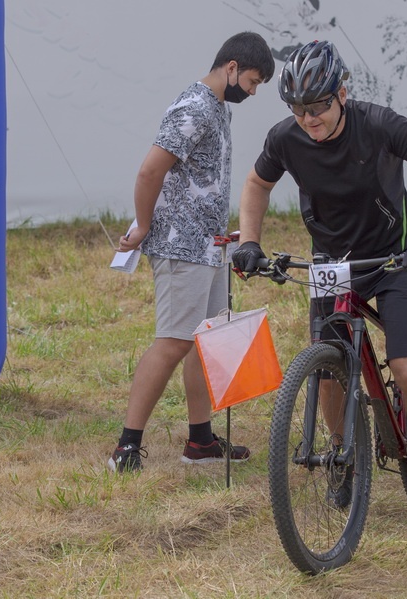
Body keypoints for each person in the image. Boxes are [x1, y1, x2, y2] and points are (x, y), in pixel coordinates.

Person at [232, 40, 407, 506]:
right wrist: (248, 243)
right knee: (326, 368)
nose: (308, 118)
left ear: (342, 93)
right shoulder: (285, 137)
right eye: (297, 108)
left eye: (318, 105)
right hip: (332, 265)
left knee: (405, 367)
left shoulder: (380, 125)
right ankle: (346, 459)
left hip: (392, 261)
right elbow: (257, 184)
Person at [108, 32, 275, 473]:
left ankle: (200, 442)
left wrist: (222, 229)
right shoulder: (194, 107)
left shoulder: (217, 109)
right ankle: (126, 447)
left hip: (209, 246)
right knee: (173, 343)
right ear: (232, 67)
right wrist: (143, 227)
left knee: (207, 343)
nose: (253, 92)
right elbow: (150, 170)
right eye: (254, 81)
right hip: (182, 247)